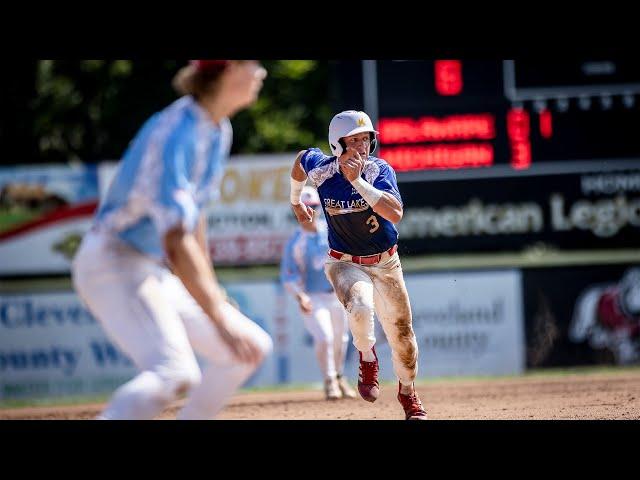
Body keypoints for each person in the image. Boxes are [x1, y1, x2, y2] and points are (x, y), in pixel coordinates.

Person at [72, 60, 273, 420]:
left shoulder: (216, 129)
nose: (261, 73)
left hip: (149, 267)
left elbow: (194, 223)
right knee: (174, 372)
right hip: (112, 259)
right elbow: (177, 241)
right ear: (227, 71)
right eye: (252, 64)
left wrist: (215, 297)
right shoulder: (178, 133)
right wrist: (216, 315)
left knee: (251, 348)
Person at [288, 110, 427, 420]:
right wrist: (296, 201)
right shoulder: (323, 170)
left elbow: (395, 213)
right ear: (337, 145)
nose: (362, 147)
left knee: (404, 339)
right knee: (361, 306)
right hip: (344, 261)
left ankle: (408, 392)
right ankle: (367, 357)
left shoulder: (379, 171)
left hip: (385, 262)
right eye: (354, 141)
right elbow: (300, 160)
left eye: (366, 139)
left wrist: (359, 183)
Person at [280, 186, 357, 400]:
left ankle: (340, 377)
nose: (309, 212)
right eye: (303, 207)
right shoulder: (295, 242)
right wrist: (299, 295)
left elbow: (346, 260)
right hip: (312, 297)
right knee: (324, 337)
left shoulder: (332, 232)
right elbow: (288, 275)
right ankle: (329, 380)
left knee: (341, 339)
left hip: (336, 295)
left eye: (312, 206)